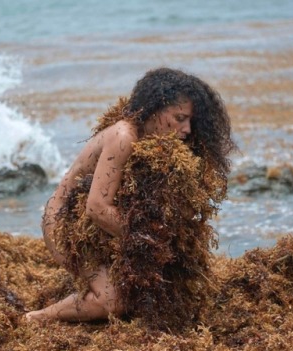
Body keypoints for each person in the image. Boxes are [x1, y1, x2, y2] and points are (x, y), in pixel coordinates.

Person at [25, 67, 236, 323]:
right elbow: (96, 208)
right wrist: (151, 244)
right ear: (155, 109)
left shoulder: (159, 143)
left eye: (190, 120)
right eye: (179, 117)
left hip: (103, 228)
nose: (188, 129)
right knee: (113, 302)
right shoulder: (124, 136)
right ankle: (37, 318)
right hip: (65, 223)